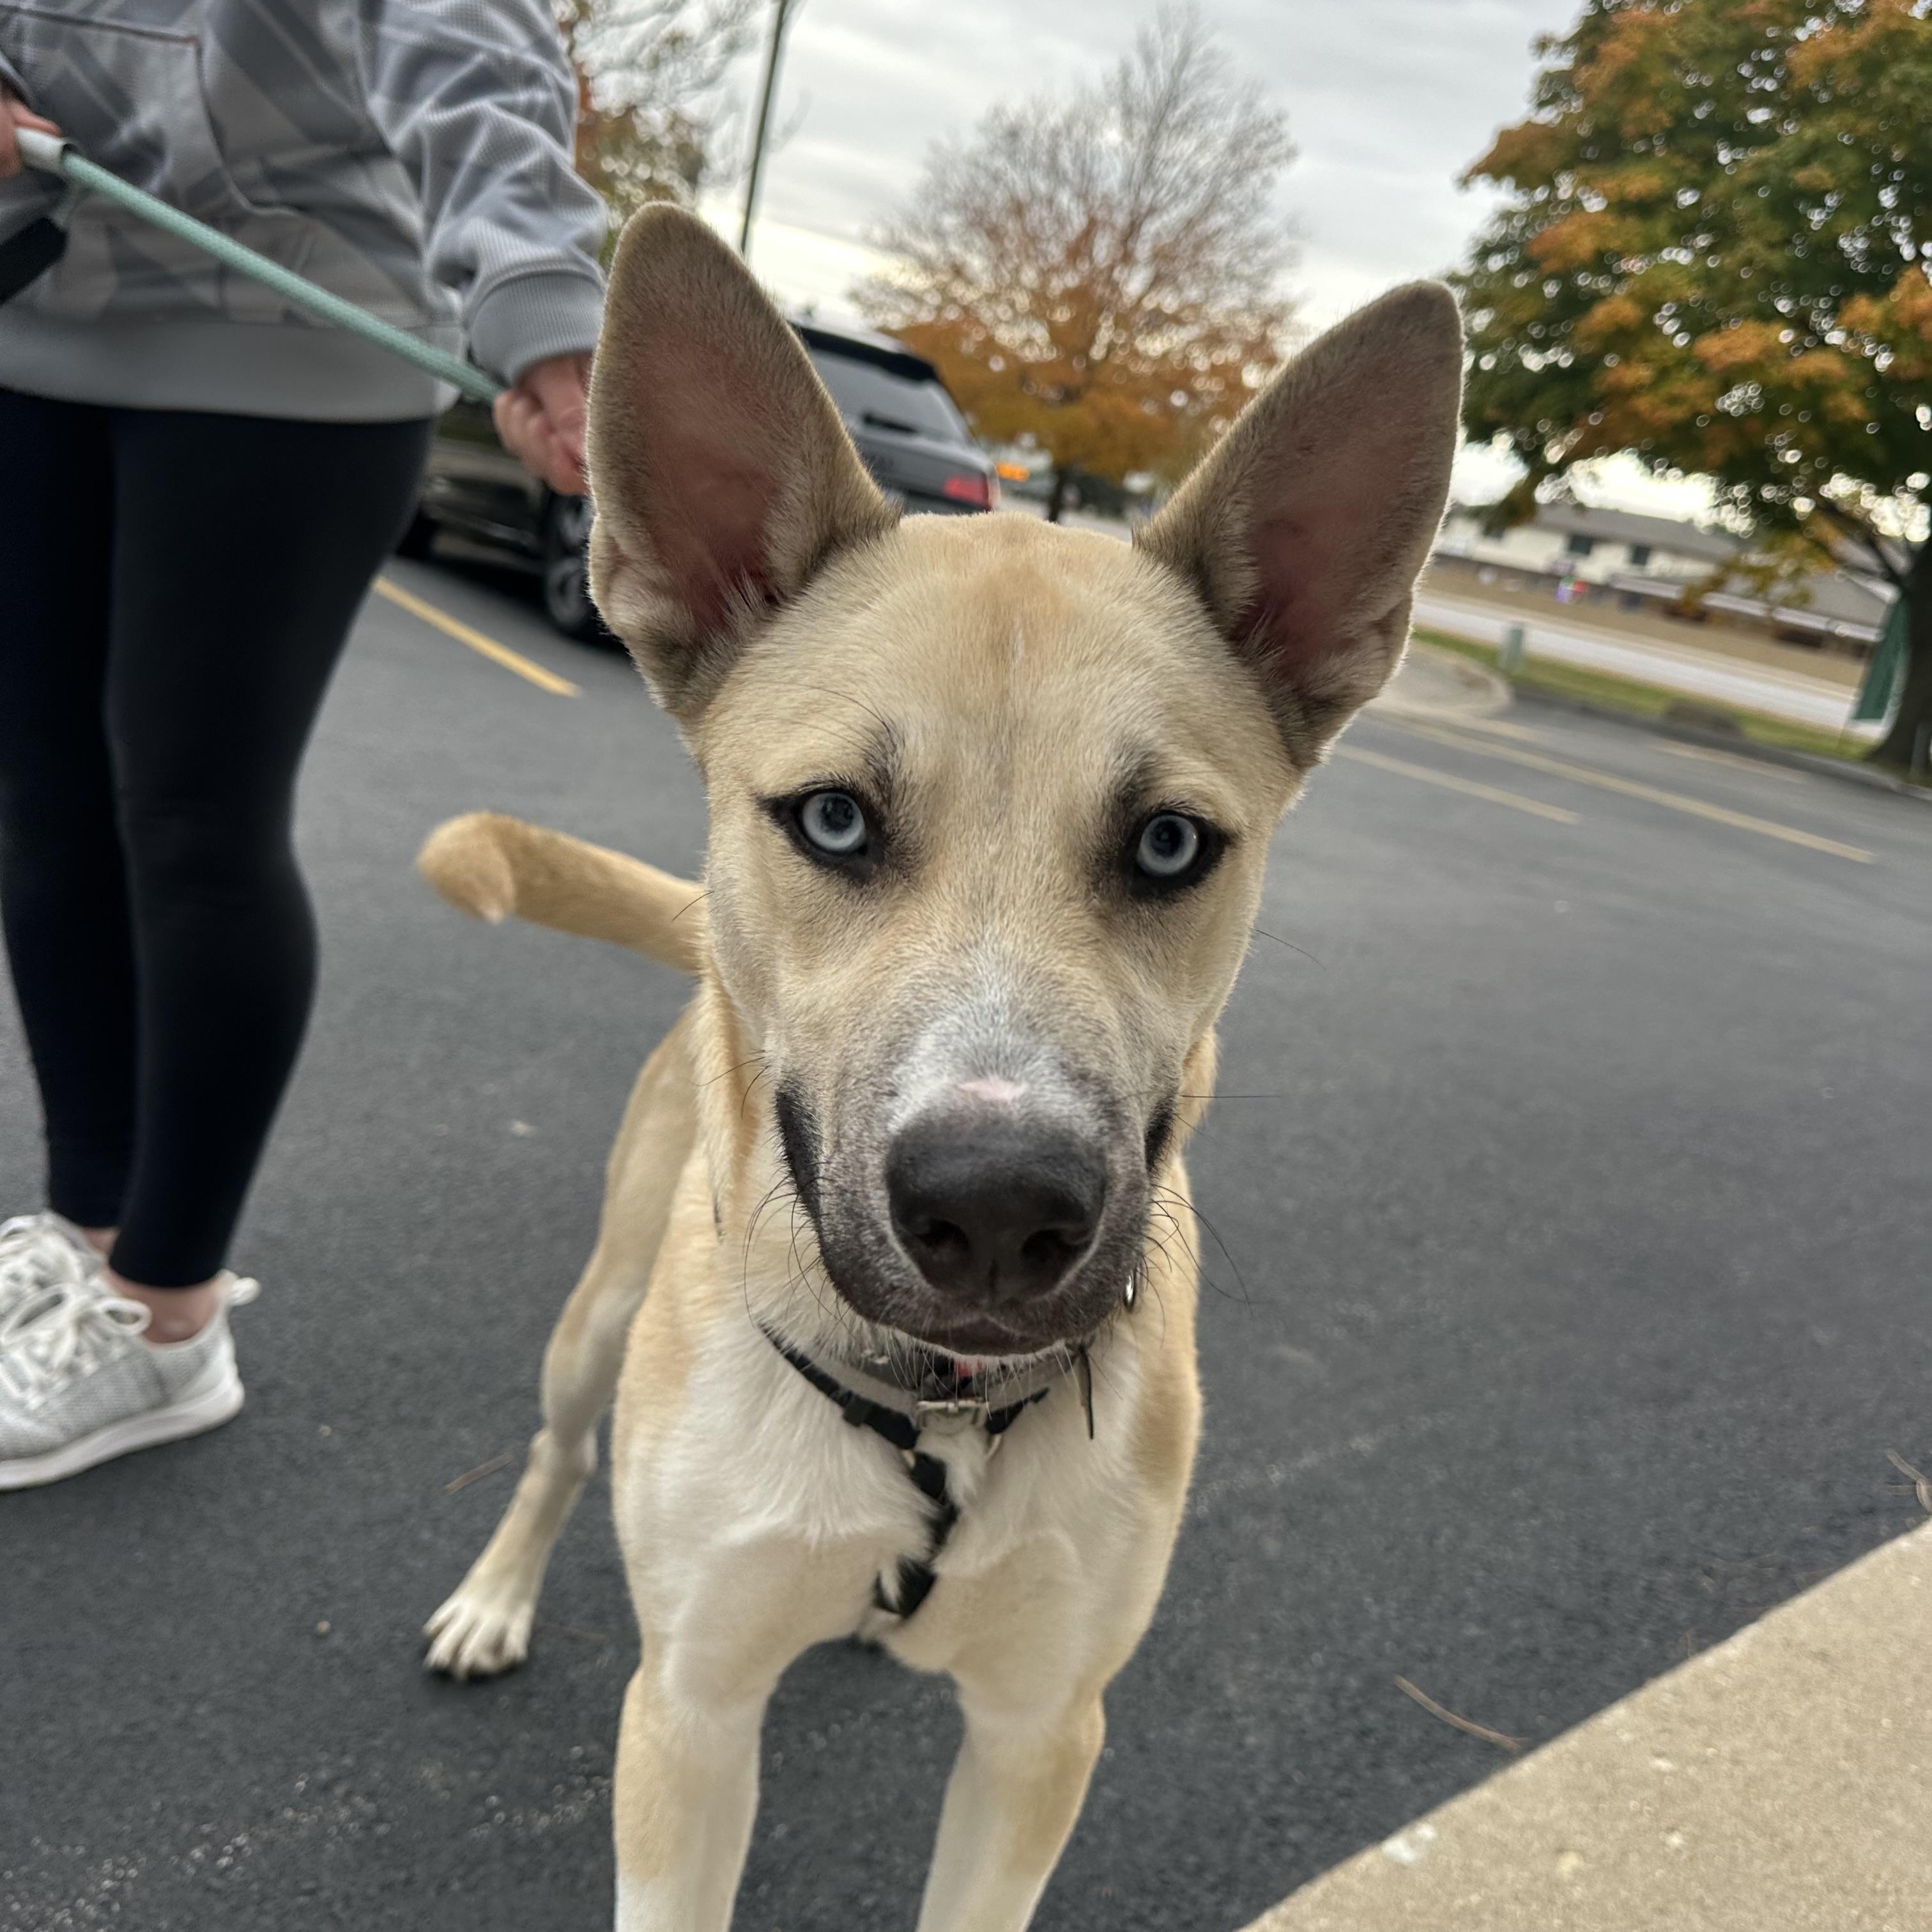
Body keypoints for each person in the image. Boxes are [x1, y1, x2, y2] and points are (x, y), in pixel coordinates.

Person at [0, 0, 608, 1488]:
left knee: (197, 825)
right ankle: (90, 1247)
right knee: (44, 802)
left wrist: (541, 308)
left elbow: (472, 52)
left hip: (293, 338)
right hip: (33, 313)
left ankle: (171, 1314)